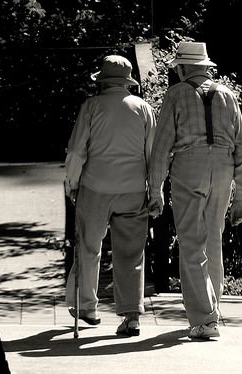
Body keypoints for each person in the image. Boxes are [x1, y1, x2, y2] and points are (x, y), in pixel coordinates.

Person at [148, 41, 242, 339]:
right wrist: (241, 193)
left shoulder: (176, 94)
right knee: (212, 241)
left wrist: (155, 189)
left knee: (192, 243)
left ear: (181, 68)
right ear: (206, 67)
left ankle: (205, 319)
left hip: (188, 168)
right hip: (222, 168)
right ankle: (211, 312)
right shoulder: (228, 95)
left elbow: (162, 146)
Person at [64, 55, 157, 336]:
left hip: (96, 188)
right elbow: (153, 155)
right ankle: (131, 316)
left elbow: (78, 150)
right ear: (127, 82)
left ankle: (87, 307)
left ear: (102, 81)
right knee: (131, 254)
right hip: (133, 190)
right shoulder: (143, 108)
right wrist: (156, 191)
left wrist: (72, 182)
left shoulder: (91, 106)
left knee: (89, 247)